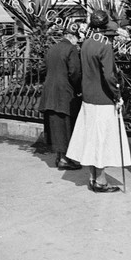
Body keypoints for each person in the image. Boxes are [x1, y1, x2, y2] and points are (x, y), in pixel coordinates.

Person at [66, 10, 131, 193]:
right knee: (102, 141)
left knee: (91, 139)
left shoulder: (86, 43)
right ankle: (101, 181)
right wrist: (118, 96)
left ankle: (93, 177)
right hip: (103, 99)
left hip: (88, 98)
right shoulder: (105, 45)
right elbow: (109, 76)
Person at [39, 27, 82, 170]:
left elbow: (45, 69)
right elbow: (74, 72)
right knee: (65, 126)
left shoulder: (52, 48)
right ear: (72, 37)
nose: (78, 42)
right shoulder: (71, 49)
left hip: (50, 93)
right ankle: (64, 159)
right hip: (64, 93)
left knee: (56, 125)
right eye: (77, 38)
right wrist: (78, 90)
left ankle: (59, 156)